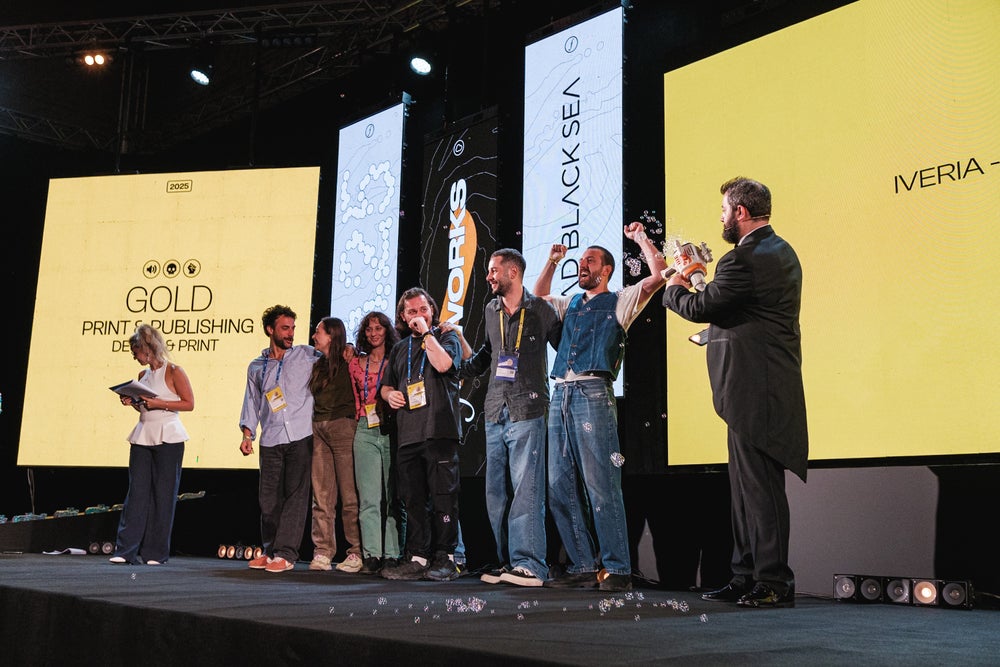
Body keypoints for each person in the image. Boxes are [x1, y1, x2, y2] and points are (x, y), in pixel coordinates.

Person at [662, 177, 808, 608]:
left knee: (760, 490)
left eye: (725, 210)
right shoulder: (775, 251)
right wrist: (697, 277)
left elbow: (702, 307)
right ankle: (746, 576)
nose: (722, 218)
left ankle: (773, 581)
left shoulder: (745, 258)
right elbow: (730, 305)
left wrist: (675, 285)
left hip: (756, 388)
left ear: (740, 212)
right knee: (745, 491)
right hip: (753, 387)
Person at [534, 223, 667, 592]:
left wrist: (640, 238)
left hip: (593, 393)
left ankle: (618, 567)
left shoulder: (621, 301)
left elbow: (659, 276)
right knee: (558, 484)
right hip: (560, 394)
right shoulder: (571, 303)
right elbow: (539, 297)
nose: (583, 265)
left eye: (590, 261)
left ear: (606, 270)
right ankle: (582, 564)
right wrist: (552, 261)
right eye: (581, 261)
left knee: (601, 484)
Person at [453, 249, 561, 587]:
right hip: (495, 409)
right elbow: (489, 352)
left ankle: (531, 564)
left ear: (512, 272)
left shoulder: (540, 309)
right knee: (496, 494)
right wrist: (460, 369)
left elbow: (564, 347)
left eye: (493, 270)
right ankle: (510, 562)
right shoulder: (491, 309)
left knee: (526, 490)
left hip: (528, 408)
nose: (488, 276)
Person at [379, 288, 464, 581]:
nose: (418, 316)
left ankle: (447, 558)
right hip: (408, 434)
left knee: (443, 498)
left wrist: (427, 333)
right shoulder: (400, 348)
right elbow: (386, 385)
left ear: (432, 311)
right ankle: (417, 557)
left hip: (439, 431)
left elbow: (443, 364)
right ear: (403, 317)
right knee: (413, 500)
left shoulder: (446, 337)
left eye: (423, 310)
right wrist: (389, 395)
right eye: (412, 312)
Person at [239, 305, 318, 573]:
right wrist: (247, 433)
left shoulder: (306, 355)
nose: (291, 334)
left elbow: (334, 354)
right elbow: (252, 402)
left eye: (293, 328)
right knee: (269, 500)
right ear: (270, 329)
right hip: (270, 438)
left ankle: (286, 554)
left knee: (295, 497)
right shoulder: (256, 366)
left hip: (301, 435)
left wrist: (350, 348)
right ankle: (270, 550)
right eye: (285, 328)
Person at [111, 324, 194, 565]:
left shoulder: (174, 371)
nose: (134, 356)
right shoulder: (142, 376)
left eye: (136, 351)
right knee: (136, 494)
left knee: (163, 495)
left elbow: (189, 403)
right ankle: (125, 551)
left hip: (169, 437)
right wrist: (133, 402)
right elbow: (144, 407)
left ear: (147, 349)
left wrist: (159, 404)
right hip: (143, 436)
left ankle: (155, 553)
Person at [348, 311, 404, 575]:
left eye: (378, 328)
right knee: (369, 497)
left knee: (393, 497)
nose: (373, 333)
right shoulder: (355, 363)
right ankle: (372, 554)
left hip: (392, 429)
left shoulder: (397, 360)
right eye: (369, 329)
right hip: (365, 429)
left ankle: (392, 554)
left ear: (387, 331)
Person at [307, 317, 363, 573]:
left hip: (343, 426)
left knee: (349, 495)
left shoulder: (349, 358)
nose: (314, 336)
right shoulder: (317, 364)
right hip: (319, 428)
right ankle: (322, 551)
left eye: (318, 332)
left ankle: (356, 552)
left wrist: (351, 348)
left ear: (331, 335)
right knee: (321, 496)